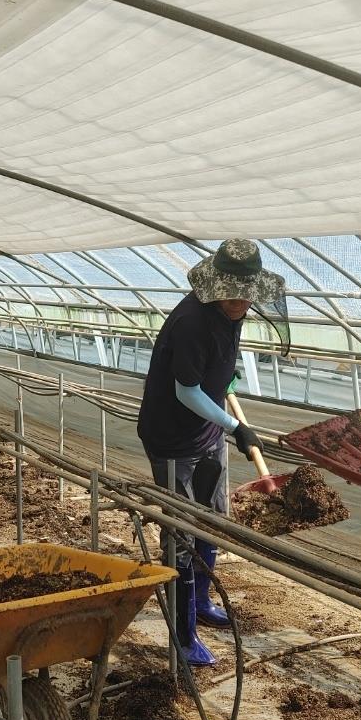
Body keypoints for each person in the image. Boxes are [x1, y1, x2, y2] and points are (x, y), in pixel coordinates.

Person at [136, 238, 285, 666]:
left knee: (213, 519)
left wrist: (225, 378)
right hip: (173, 439)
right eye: (231, 293)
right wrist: (237, 427)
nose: (239, 302)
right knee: (182, 531)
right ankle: (183, 636)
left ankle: (201, 601)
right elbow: (186, 391)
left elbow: (213, 366)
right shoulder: (191, 322)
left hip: (208, 432)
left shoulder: (233, 313)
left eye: (246, 294)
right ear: (215, 287)